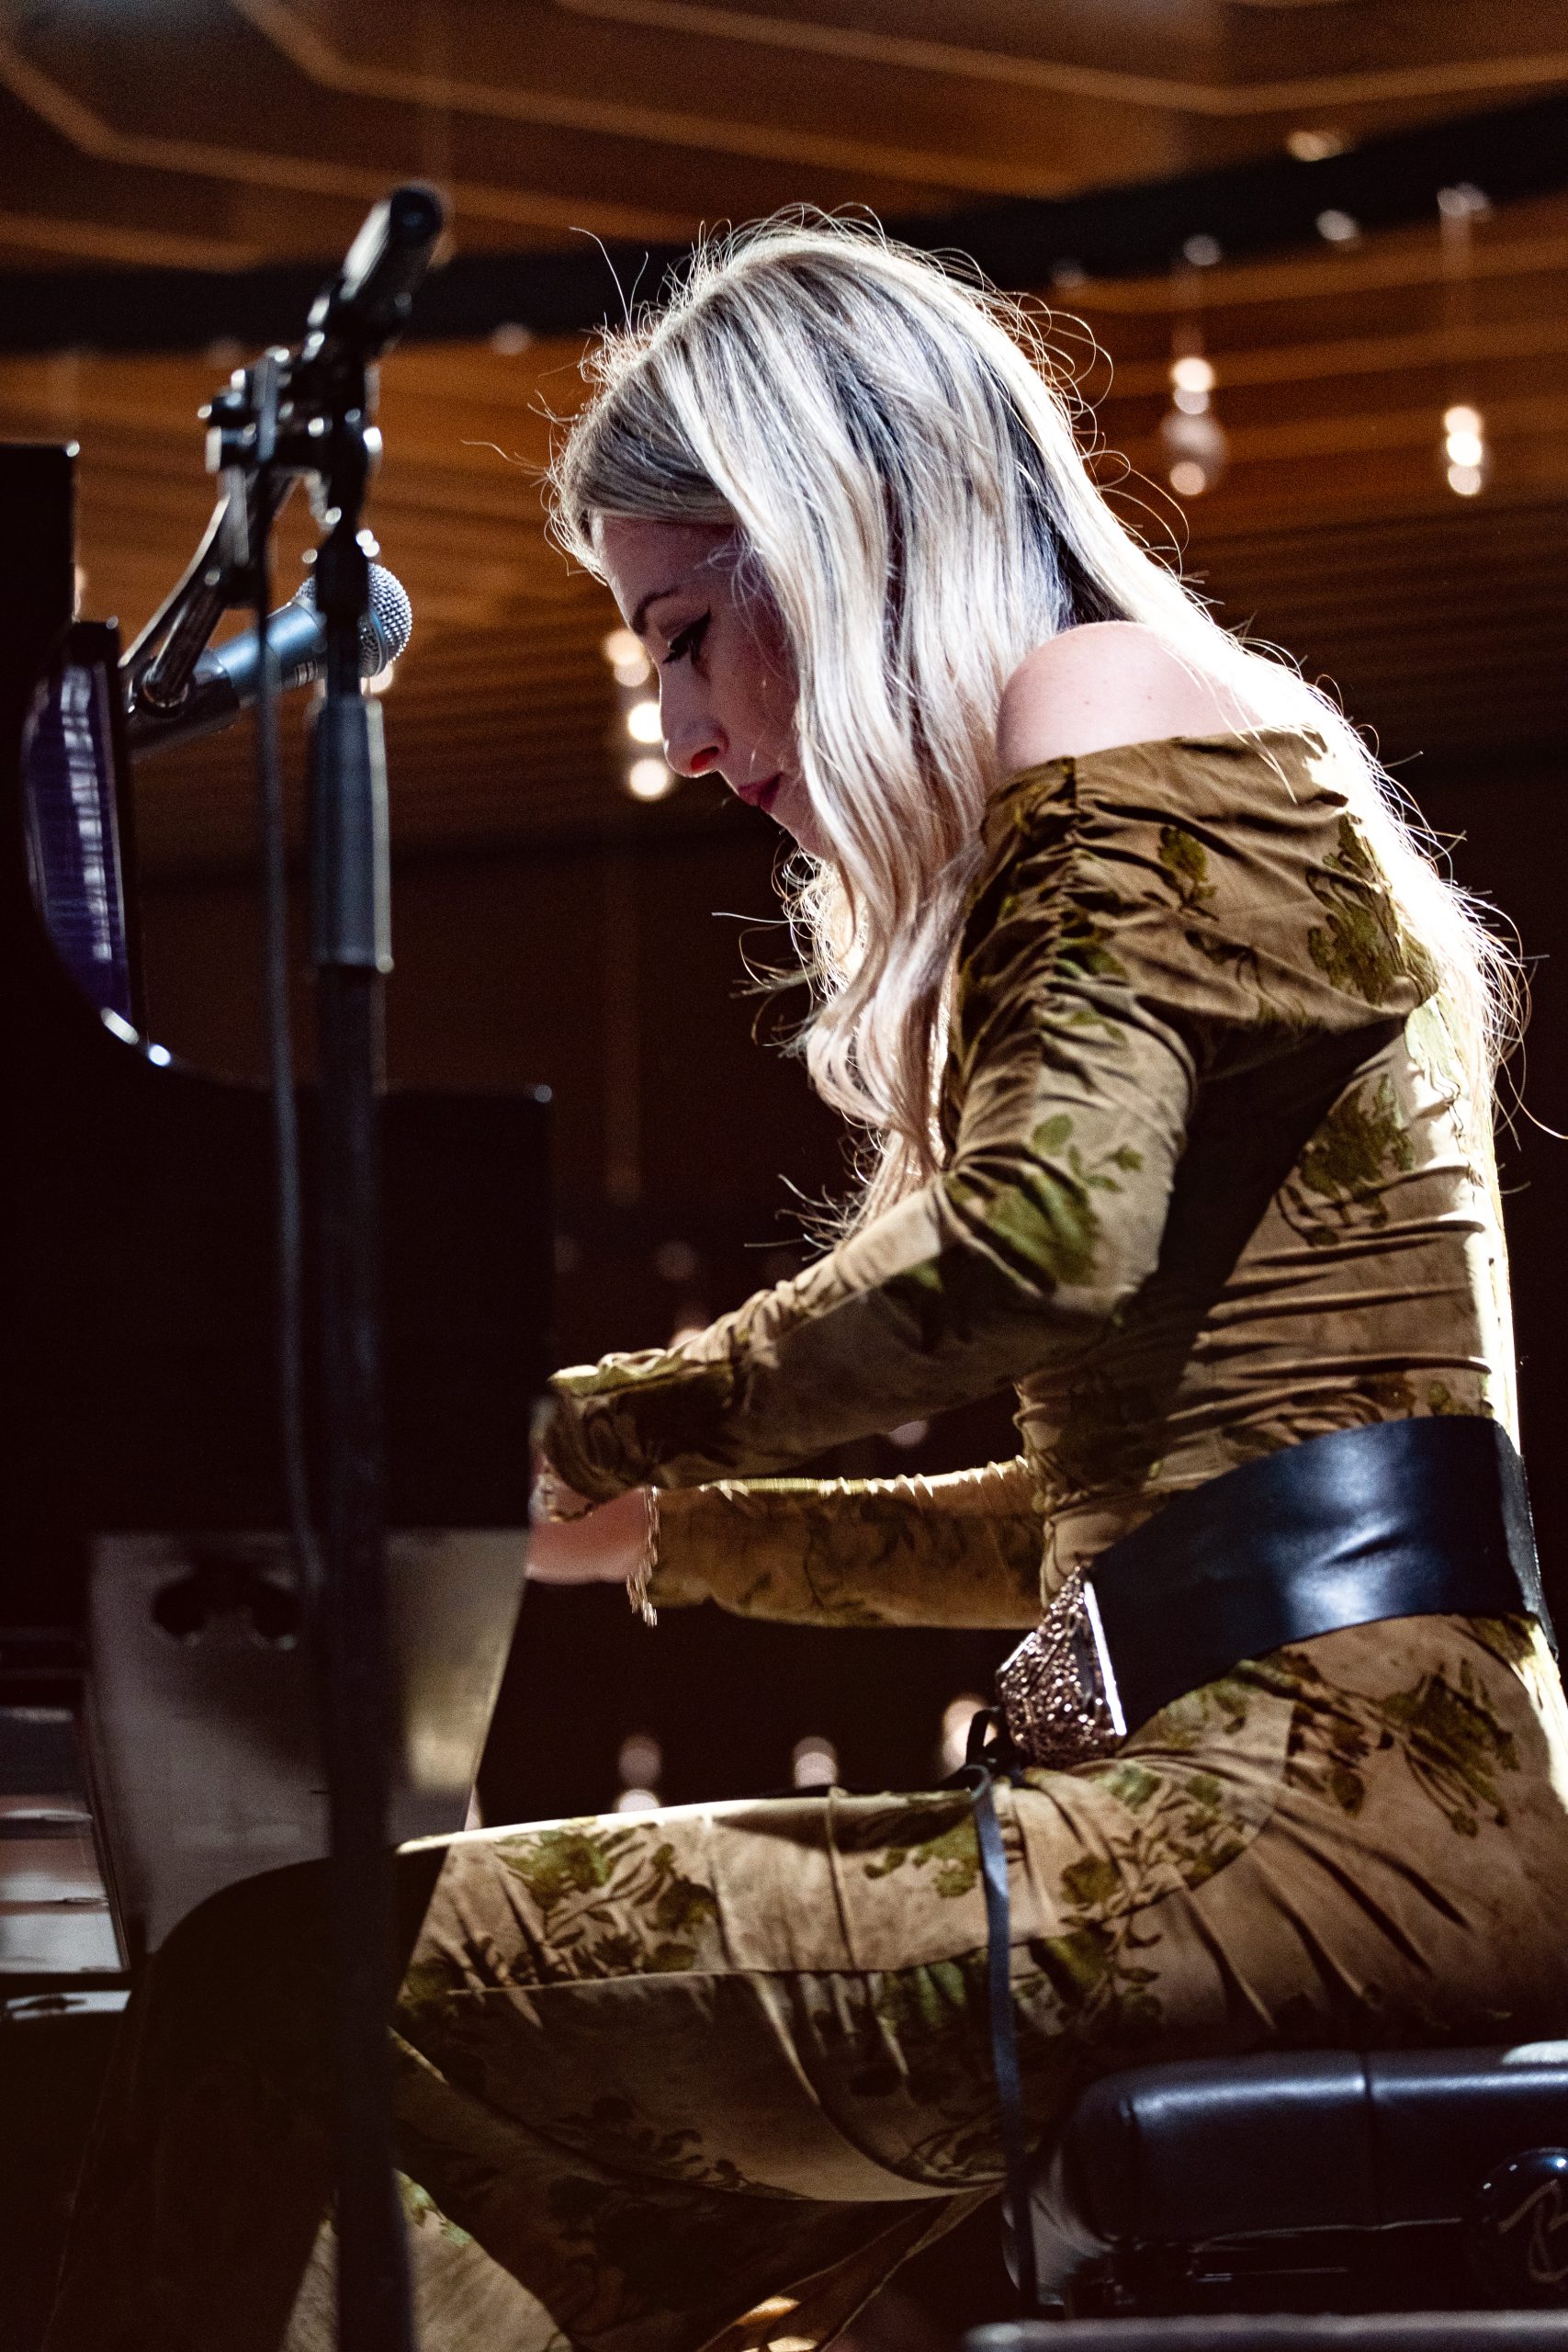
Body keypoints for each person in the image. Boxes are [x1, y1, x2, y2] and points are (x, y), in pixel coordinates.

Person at [46, 217, 1568, 2352]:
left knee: (262, 1981)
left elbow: (1035, 1243)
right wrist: (657, 1528)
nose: (678, 731)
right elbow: (1069, 1535)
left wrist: (560, 1419)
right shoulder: (1178, 757)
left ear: (839, 530)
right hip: (1359, 1814)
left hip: (1294, 1830)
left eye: (683, 631)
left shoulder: (1099, 696)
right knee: (524, 2233)